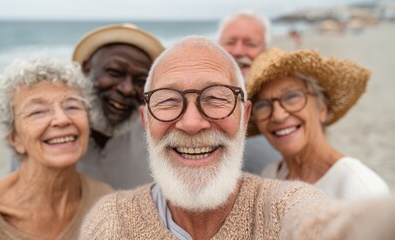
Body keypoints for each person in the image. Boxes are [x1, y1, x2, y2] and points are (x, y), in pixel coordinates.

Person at [79, 36, 395, 239]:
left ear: (244, 118)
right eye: (169, 101)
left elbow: (321, 224)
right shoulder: (112, 220)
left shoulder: (283, 203)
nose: (191, 123)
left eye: (216, 98)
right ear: (146, 120)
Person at [0, 55, 113, 239]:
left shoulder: (107, 203)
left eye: (72, 106)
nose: (62, 119)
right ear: (14, 138)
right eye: (38, 111)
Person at [247, 48, 389, 201]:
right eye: (262, 105)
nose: (278, 115)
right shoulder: (270, 176)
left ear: (323, 108)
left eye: (292, 96)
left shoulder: (363, 190)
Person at [72, 24, 165, 189]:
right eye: (115, 73)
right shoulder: (53, 131)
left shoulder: (158, 137)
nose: (127, 89)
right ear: (86, 69)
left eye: (139, 81)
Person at [217, 10, 280, 174]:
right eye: (230, 42)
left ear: (266, 53)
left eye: (250, 44)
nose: (238, 51)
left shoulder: (282, 101)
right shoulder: (195, 97)